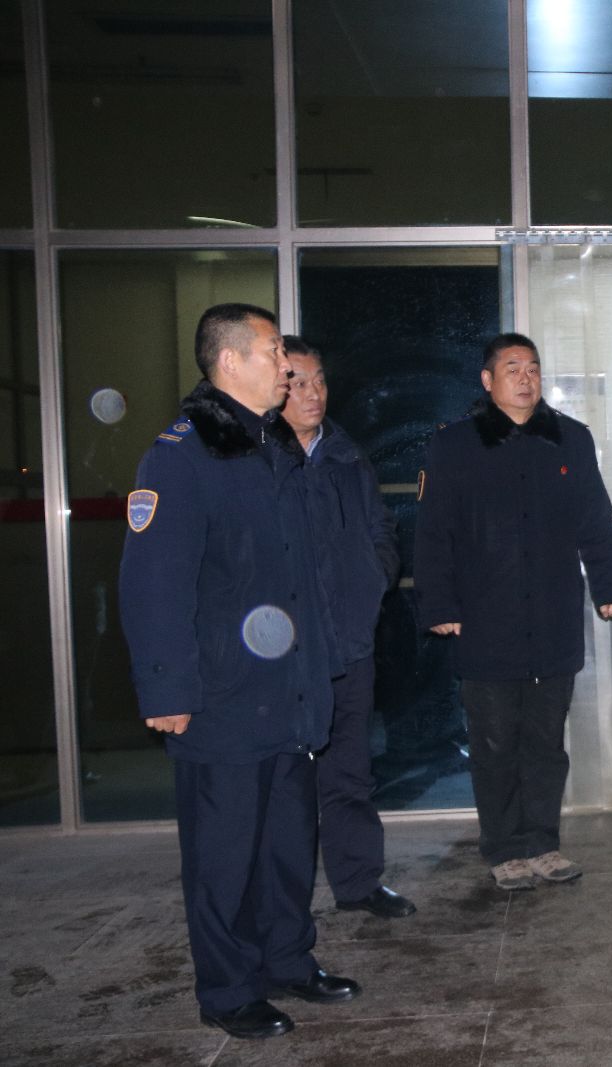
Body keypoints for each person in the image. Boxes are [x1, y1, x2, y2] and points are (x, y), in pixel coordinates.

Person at [119, 303, 360, 1040]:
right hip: (222, 697)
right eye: (273, 351)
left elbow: (299, 576)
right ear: (230, 362)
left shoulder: (273, 446)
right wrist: (166, 688)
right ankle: (227, 989)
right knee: (223, 857)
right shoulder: (183, 453)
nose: (287, 365)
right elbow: (155, 582)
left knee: (287, 844)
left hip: (288, 692)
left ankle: (287, 958)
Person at [412, 332, 612, 891]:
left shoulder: (570, 439)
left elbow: (596, 521)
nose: (526, 379)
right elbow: (433, 532)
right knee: (495, 744)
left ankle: (543, 844)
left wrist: (610, 586)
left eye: (533, 368)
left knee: (546, 743)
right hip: (486, 620)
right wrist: (438, 603)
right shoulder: (455, 445)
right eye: (512, 369)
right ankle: (505, 848)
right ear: (488, 381)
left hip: (553, 619)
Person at [278, 336, 414, 920]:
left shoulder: (345, 453)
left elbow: (380, 528)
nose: (313, 394)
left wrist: (374, 578)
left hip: (349, 643)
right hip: (285, 653)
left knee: (350, 772)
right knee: (284, 781)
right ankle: (282, 900)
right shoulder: (255, 456)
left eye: (320, 381)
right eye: (298, 382)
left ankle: (359, 883)